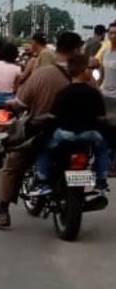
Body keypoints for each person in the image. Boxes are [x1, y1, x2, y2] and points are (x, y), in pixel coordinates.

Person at [0, 31, 83, 229]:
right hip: (79, 132)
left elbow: (20, 102)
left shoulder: (43, 74)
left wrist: (12, 106)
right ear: (77, 49)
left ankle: (2, 212)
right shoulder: (84, 74)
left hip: (44, 132)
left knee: (12, 165)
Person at [30, 53, 110, 196]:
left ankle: (42, 182)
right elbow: (101, 118)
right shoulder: (94, 94)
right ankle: (101, 181)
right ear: (85, 72)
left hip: (64, 134)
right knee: (103, 150)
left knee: (42, 148)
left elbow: (53, 116)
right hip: (89, 135)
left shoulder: (63, 93)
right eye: (89, 70)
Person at [97, 22, 116, 114]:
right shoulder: (105, 53)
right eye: (110, 33)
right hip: (104, 94)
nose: (113, 36)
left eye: (115, 33)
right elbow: (101, 76)